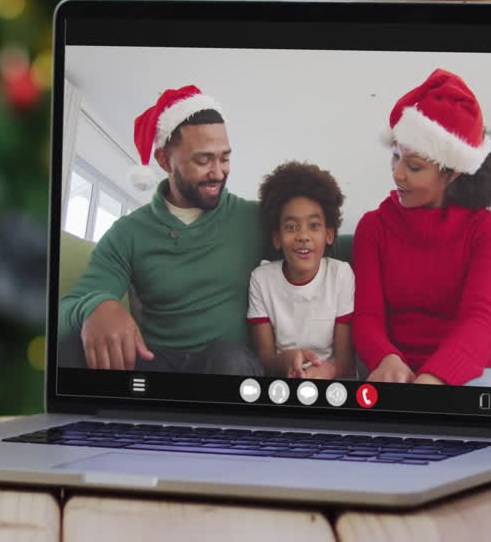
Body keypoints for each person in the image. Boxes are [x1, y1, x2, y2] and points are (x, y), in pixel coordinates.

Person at [58, 85, 264, 375]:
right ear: (165, 160)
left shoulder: (254, 218)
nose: (218, 172)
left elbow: (323, 243)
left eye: (225, 158)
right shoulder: (128, 232)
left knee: (229, 358)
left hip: (227, 368)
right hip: (156, 367)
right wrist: (96, 305)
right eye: (203, 160)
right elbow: (67, 308)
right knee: (70, 346)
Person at [352, 68, 491, 388]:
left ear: (453, 173)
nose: (397, 174)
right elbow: (367, 316)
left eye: (413, 166)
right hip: (393, 370)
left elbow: (480, 322)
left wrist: (434, 381)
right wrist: (387, 359)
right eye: (395, 157)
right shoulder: (374, 226)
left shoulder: (490, 231)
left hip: (469, 373)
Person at [247, 162, 355, 379]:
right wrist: (287, 360)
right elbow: (265, 360)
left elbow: (345, 362)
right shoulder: (261, 279)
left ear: (329, 234)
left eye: (314, 226)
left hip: (328, 379)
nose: (303, 236)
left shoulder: (341, 274)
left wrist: (325, 371)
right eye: (291, 227)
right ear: (277, 238)